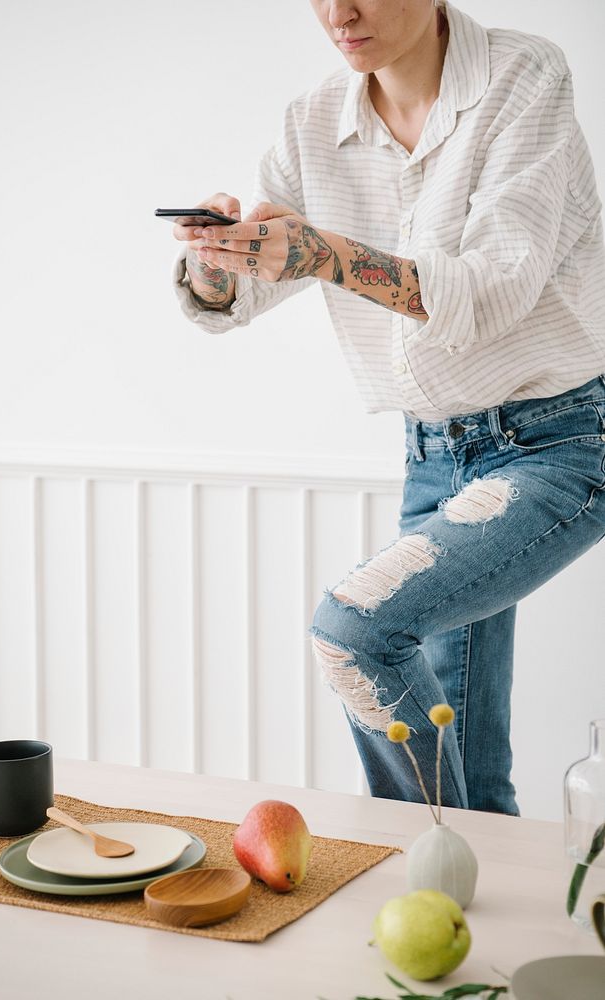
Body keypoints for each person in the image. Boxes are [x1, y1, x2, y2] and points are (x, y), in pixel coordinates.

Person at [171, 0, 605, 816]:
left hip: (560, 444)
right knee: (467, 762)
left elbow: (492, 288)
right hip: (432, 458)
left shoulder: (523, 75)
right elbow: (259, 280)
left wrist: (325, 253)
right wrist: (218, 261)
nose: (339, 12)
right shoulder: (311, 123)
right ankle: (459, 910)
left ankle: (429, 857)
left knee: (356, 630)